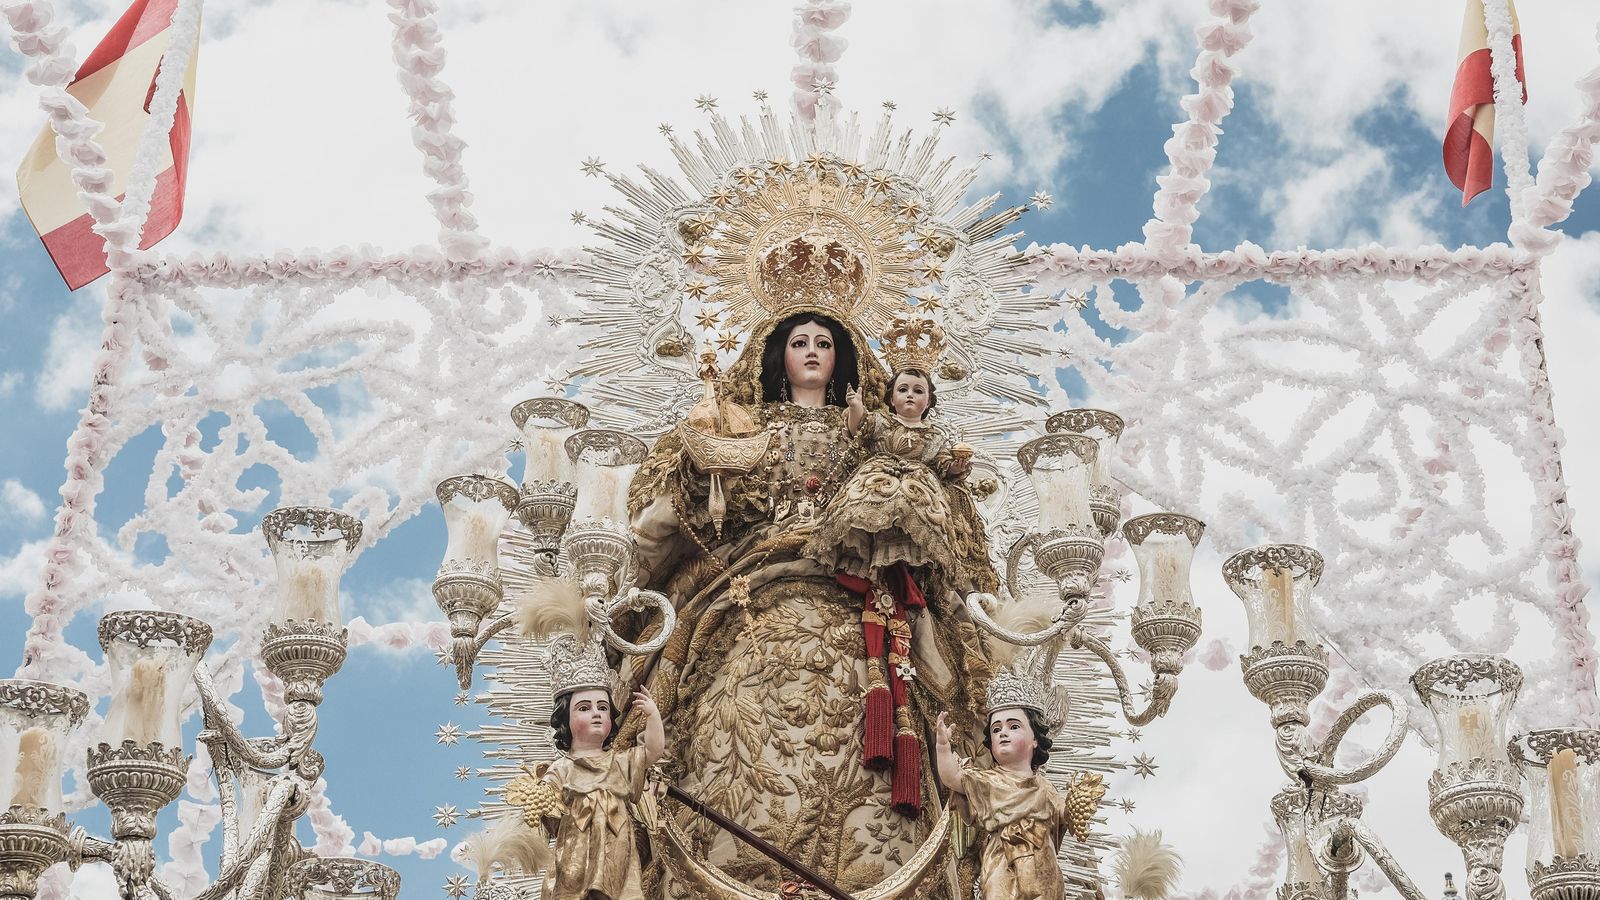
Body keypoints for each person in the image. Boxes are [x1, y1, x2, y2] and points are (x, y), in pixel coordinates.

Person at [614, 307, 999, 898]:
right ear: (780, 356)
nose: (814, 351)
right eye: (800, 342)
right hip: (752, 586)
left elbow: (927, 515)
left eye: (825, 342)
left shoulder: (870, 433)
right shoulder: (746, 426)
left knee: (924, 684)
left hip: (860, 593)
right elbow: (686, 510)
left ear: (845, 358)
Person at [537, 684, 666, 900]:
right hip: (575, 851)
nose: (596, 713)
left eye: (603, 708)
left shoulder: (618, 762)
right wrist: (540, 798)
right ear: (565, 719)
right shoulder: (562, 767)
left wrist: (652, 714)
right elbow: (546, 807)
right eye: (584, 708)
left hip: (616, 847)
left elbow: (652, 751)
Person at [933, 706, 1071, 900]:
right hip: (1001, 859)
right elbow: (952, 777)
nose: (1003, 733)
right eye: (996, 730)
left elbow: (1064, 814)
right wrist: (942, 746)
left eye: (1014, 726)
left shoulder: (1045, 788)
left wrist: (1077, 805)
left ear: (1035, 740)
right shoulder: (988, 780)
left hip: (1042, 863)